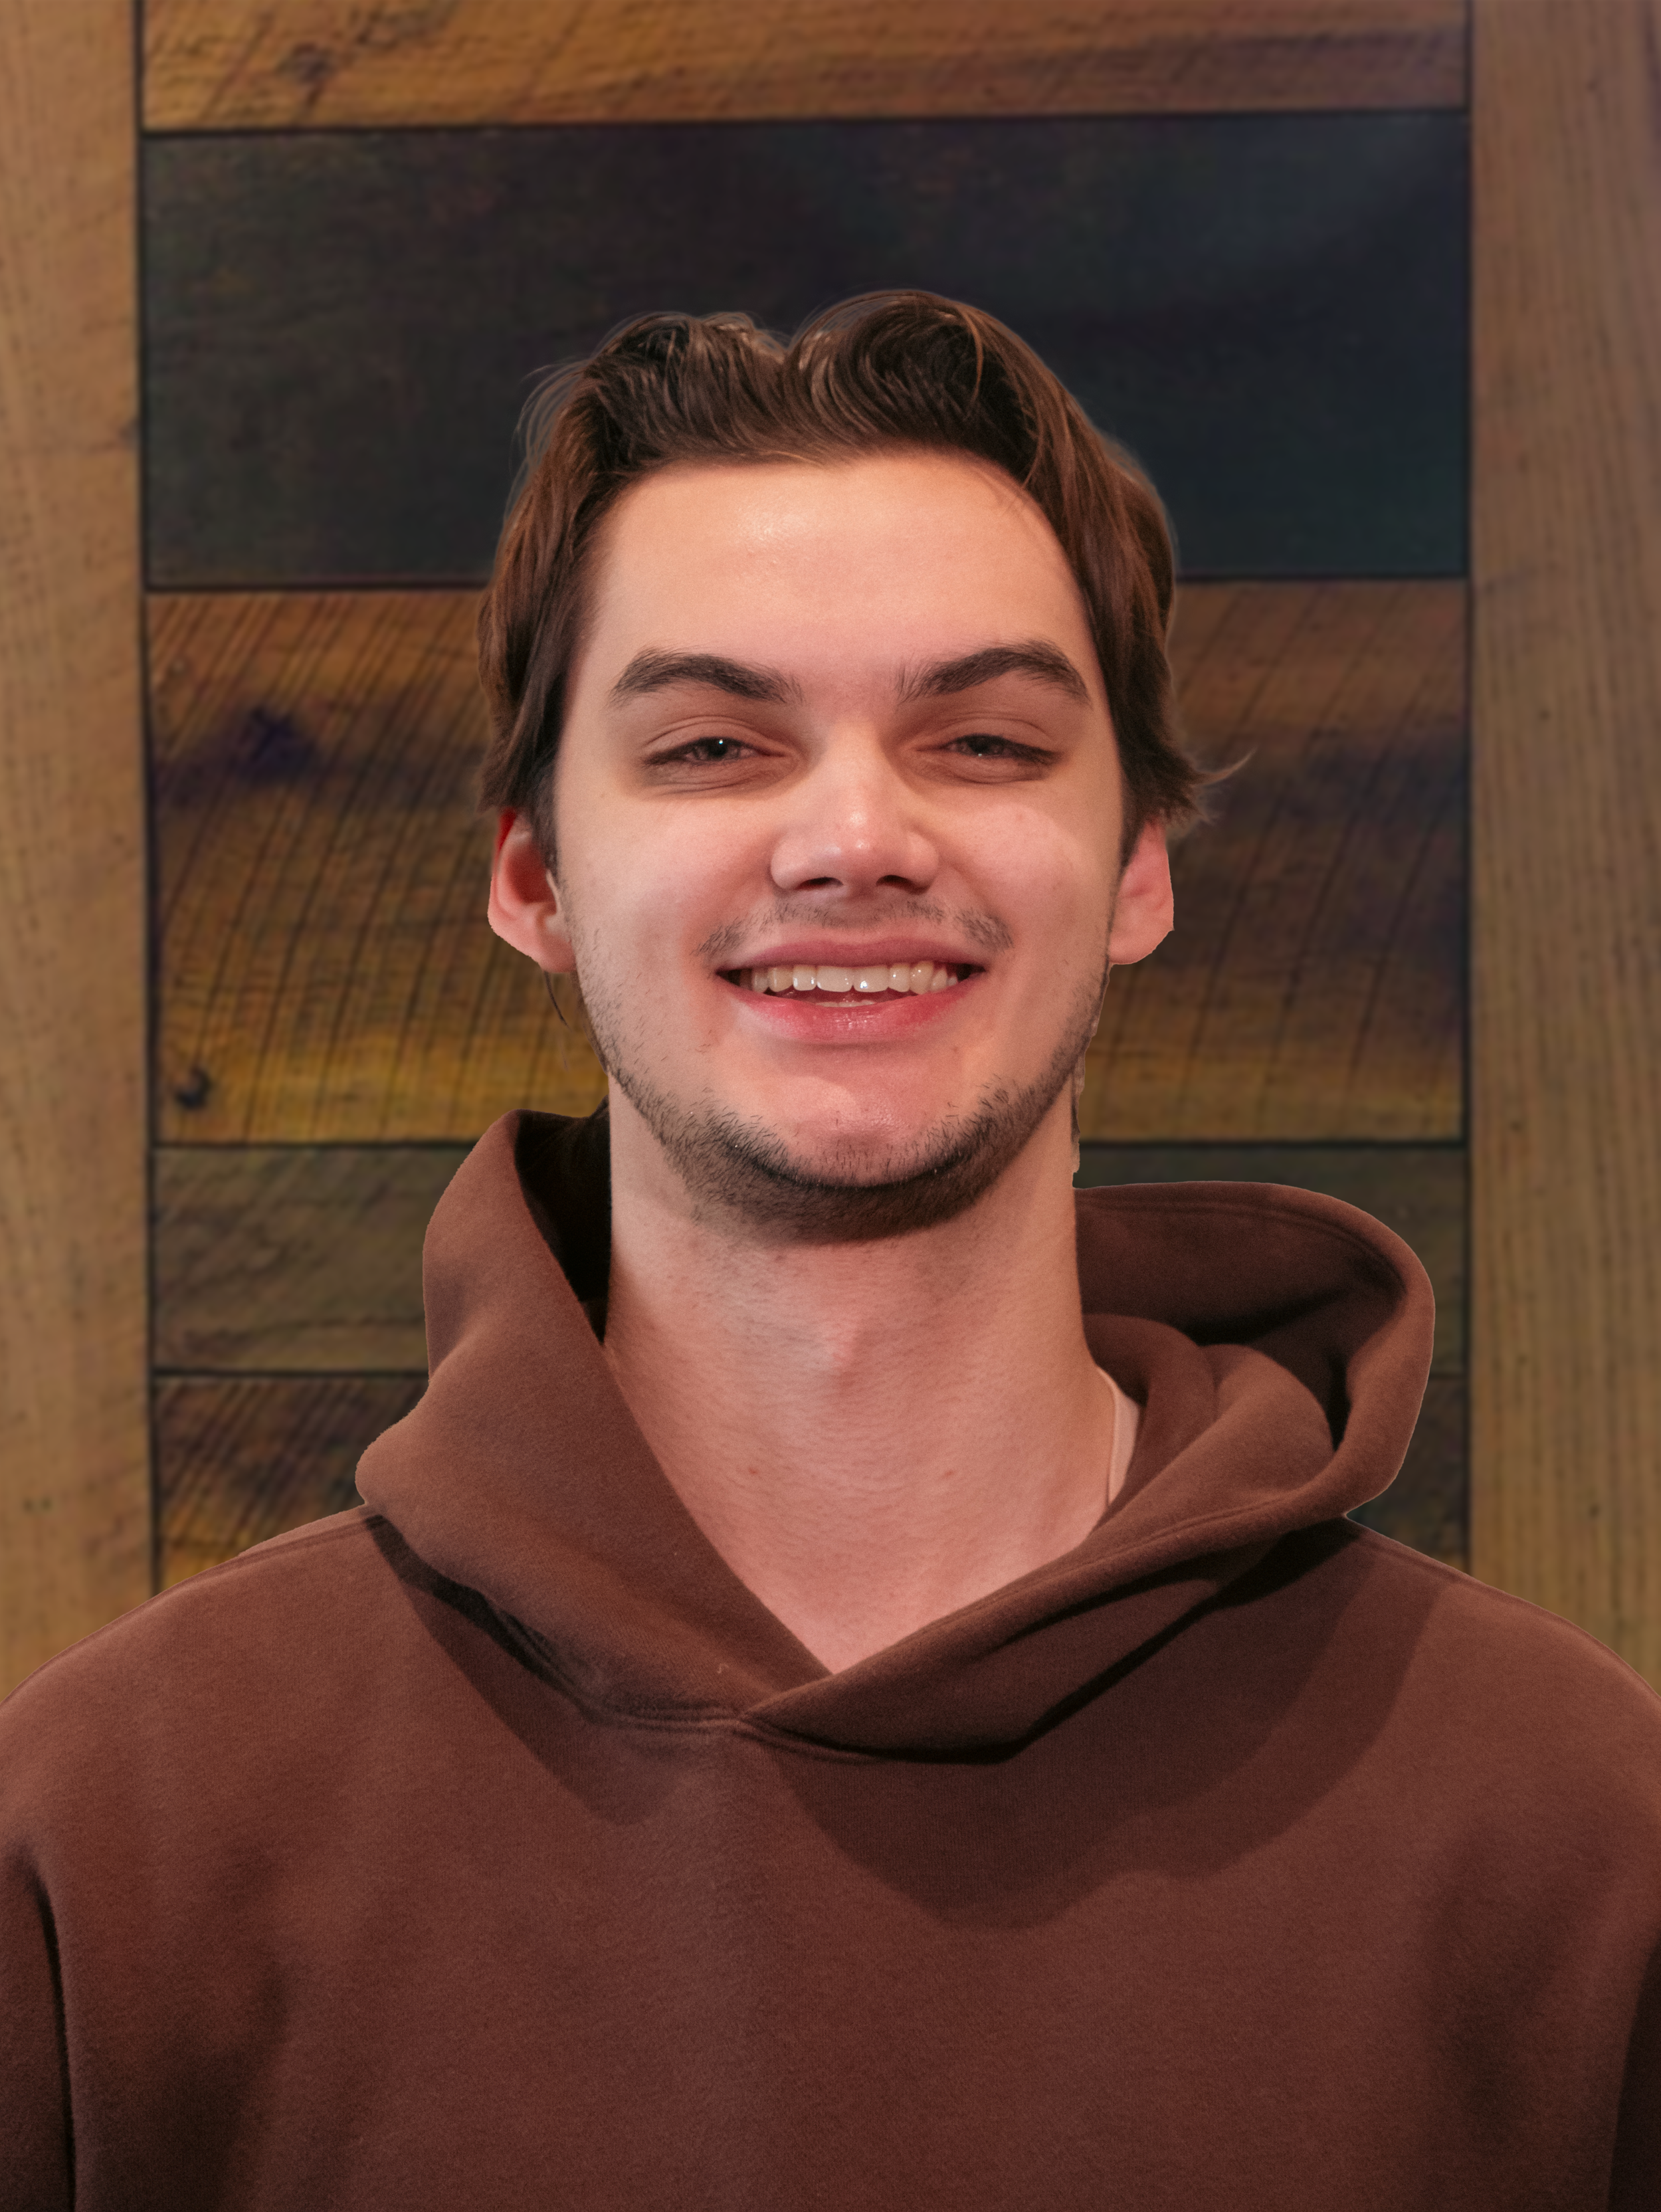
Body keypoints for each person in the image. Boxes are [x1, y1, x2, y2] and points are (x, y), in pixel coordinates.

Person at [2, 293, 1657, 2208]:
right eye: (714, 744)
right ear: (534, 875)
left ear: (1134, 869)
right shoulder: (118, 1835)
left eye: (983, 740)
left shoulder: (1560, 1827)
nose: (854, 835)